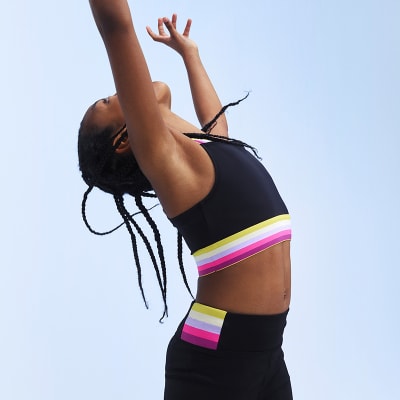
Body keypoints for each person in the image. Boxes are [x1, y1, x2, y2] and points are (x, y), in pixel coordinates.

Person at [78, 1, 293, 399]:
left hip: (266, 347)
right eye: (107, 101)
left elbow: (217, 128)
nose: (116, 91)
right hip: (217, 359)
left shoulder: (203, 154)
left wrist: (191, 55)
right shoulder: (164, 158)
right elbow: (116, 24)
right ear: (125, 140)